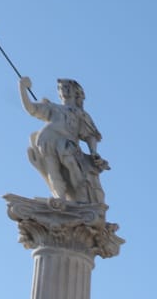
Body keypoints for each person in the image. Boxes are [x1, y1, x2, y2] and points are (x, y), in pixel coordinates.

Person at [20, 76, 109, 205]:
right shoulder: (52, 107)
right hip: (46, 140)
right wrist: (22, 87)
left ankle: (82, 198)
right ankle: (59, 198)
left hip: (66, 143)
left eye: (67, 87)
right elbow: (30, 108)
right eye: (61, 88)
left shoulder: (80, 113)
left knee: (73, 166)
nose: (64, 90)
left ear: (76, 92)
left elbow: (90, 135)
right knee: (53, 170)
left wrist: (94, 152)